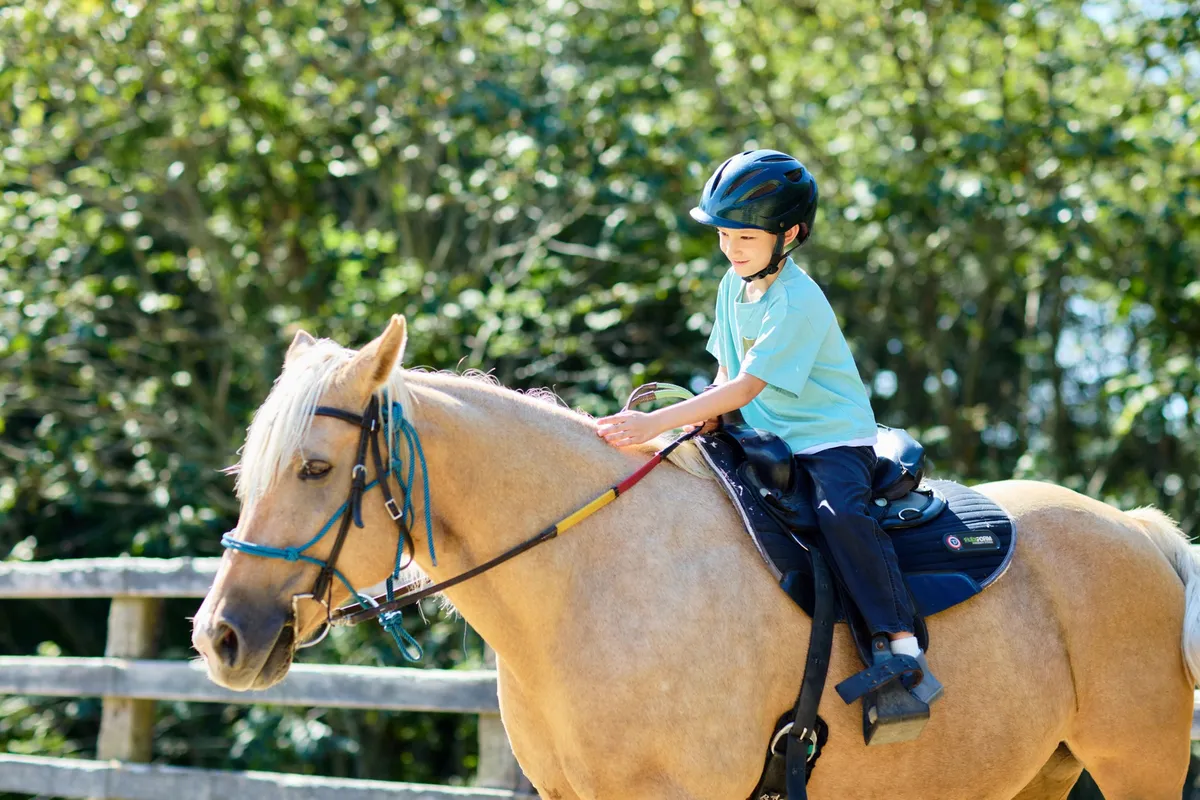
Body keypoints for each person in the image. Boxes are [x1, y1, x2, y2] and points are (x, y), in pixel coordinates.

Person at [595, 148, 941, 705]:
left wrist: (653, 423)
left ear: (790, 235)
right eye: (725, 236)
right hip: (767, 432)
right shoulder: (733, 286)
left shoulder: (797, 303)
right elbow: (725, 371)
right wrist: (702, 411)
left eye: (746, 238)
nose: (731, 248)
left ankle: (901, 644)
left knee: (839, 515)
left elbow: (747, 387)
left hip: (828, 440)